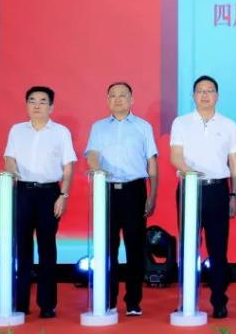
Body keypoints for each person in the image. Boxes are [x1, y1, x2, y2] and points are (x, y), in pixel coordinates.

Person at [169, 75, 236, 319]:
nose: (205, 95)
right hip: (190, 188)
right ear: (193, 96)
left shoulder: (229, 125)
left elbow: (234, 162)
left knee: (218, 249)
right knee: (189, 246)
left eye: (210, 90)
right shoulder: (181, 123)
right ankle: (186, 300)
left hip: (217, 190)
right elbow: (175, 156)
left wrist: (233, 194)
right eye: (200, 91)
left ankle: (219, 301)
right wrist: (191, 173)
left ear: (217, 96)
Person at [84, 82, 158, 316]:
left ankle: (133, 301)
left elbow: (151, 162)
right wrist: (96, 169)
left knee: (135, 247)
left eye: (122, 95)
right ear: (107, 100)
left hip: (134, 190)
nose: (117, 99)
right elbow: (92, 154)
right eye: (113, 95)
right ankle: (108, 299)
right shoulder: (98, 127)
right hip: (106, 190)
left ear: (131, 99)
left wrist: (152, 194)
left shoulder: (143, 127)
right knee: (108, 248)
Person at [4, 85, 76, 318]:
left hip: (49, 194)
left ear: (51, 107)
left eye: (43, 101)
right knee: (21, 249)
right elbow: (9, 158)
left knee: (47, 249)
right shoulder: (17, 130)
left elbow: (68, 167)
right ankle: (20, 303)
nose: (37, 105)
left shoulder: (61, 132)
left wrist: (63, 195)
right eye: (32, 101)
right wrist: (12, 179)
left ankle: (47, 305)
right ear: (26, 105)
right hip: (22, 192)